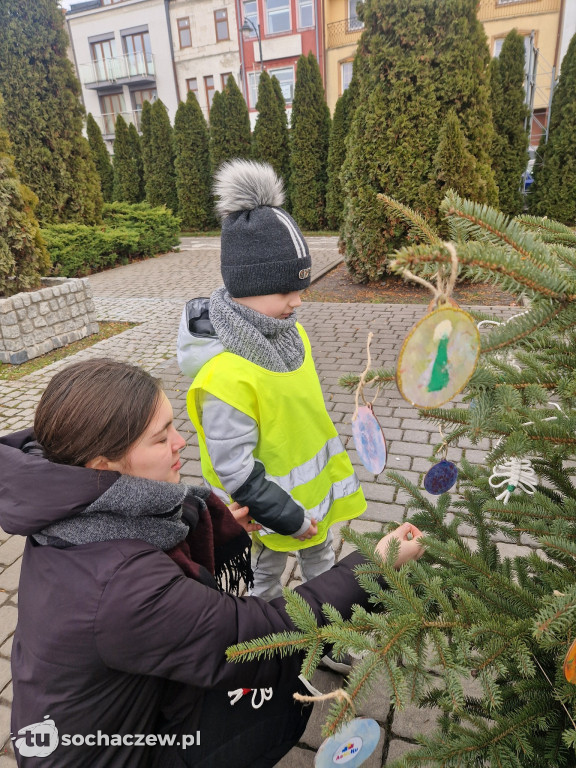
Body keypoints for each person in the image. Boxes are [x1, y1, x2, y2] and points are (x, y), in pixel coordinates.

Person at [1, 358, 424, 768]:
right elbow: (263, 635)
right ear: (102, 468)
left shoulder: (69, 512)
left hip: (85, 718)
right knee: (272, 689)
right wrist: (375, 564)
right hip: (106, 751)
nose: (180, 441)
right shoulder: (124, 588)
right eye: (160, 436)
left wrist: (216, 526)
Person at [177, 160, 367, 630]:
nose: (298, 301)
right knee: (266, 574)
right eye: (286, 290)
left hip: (310, 502)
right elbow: (233, 467)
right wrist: (289, 518)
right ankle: (267, 639)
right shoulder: (225, 376)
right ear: (248, 287)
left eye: (300, 287)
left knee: (322, 562)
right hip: (269, 514)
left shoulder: (289, 334)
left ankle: (332, 634)